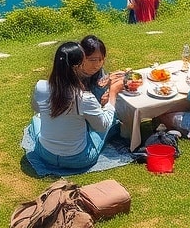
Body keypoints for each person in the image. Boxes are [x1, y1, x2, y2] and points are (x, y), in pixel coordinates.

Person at [27, 41, 124, 170]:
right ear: (78, 66)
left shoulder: (41, 86)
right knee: (111, 123)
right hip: (79, 159)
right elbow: (102, 126)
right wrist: (113, 93)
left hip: (45, 154)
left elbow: (37, 109)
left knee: (36, 120)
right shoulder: (84, 97)